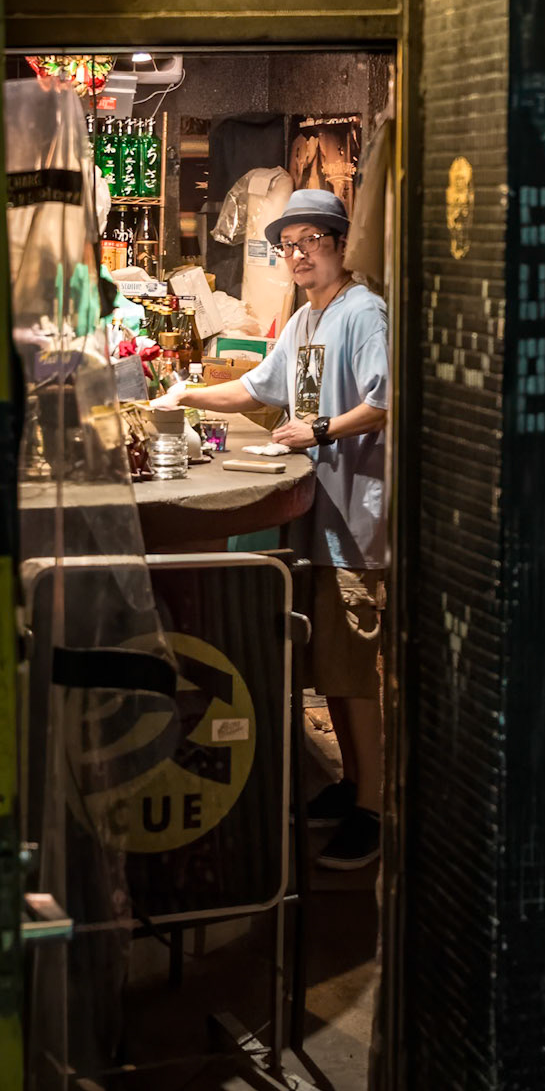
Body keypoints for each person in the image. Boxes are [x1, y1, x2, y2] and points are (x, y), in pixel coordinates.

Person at [154, 189, 389, 871]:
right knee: (329, 670)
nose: (297, 254)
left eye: (310, 240)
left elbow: (385, 399)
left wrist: (317, 427)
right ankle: (349, 786)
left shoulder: (361, 312)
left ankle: (372, 810)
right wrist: (185, 393)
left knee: (352, 673)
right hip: (321, 520)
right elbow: (258, 387)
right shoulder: (306, 319)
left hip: (358, 523)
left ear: (340, 242)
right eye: (288, 243)